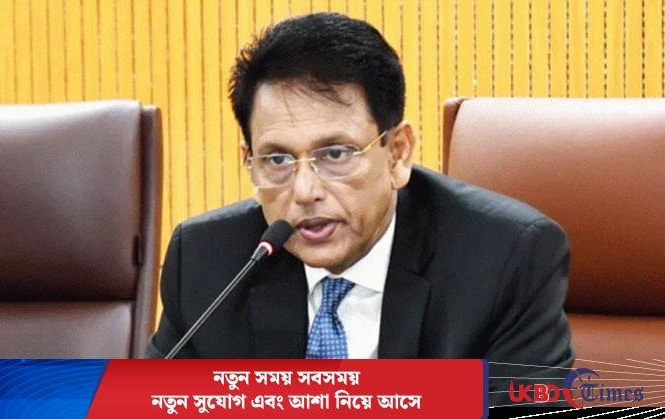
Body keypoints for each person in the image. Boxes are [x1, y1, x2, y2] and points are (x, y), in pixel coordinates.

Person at [147, 12, 573, 402]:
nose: (304, 191)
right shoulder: (207, 263)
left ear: (397, 154)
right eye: (277, 159)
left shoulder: (505, 260)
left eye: (335, 154)